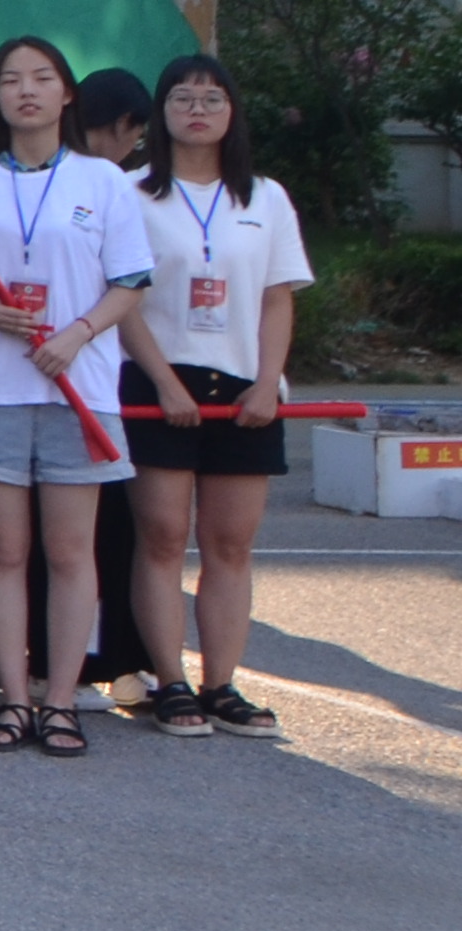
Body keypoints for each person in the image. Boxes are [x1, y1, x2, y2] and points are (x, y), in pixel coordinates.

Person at [0, 33, 161, 754]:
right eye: (10, 80)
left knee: (69, 550)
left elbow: (130, 281)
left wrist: (78, 334)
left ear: (67, 93)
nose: (26, 91)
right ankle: (14, 699)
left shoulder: (103, 181)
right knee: (2, 548)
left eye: (41, 78)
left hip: (76, 384)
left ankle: (61, 700)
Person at [121, 50, 309, 736]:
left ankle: (221, 684)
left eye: (211, 99)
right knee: (163, 536)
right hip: (158, 381)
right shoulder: (132, 193)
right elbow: (124, 298)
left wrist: (266, 381)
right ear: (161, 113)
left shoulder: (265, 197)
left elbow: (277, 298)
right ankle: (169, 681)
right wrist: (165, 383)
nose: (197, 111)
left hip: (243, 389)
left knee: (230, 543)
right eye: (183, 98)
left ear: (233, 113)